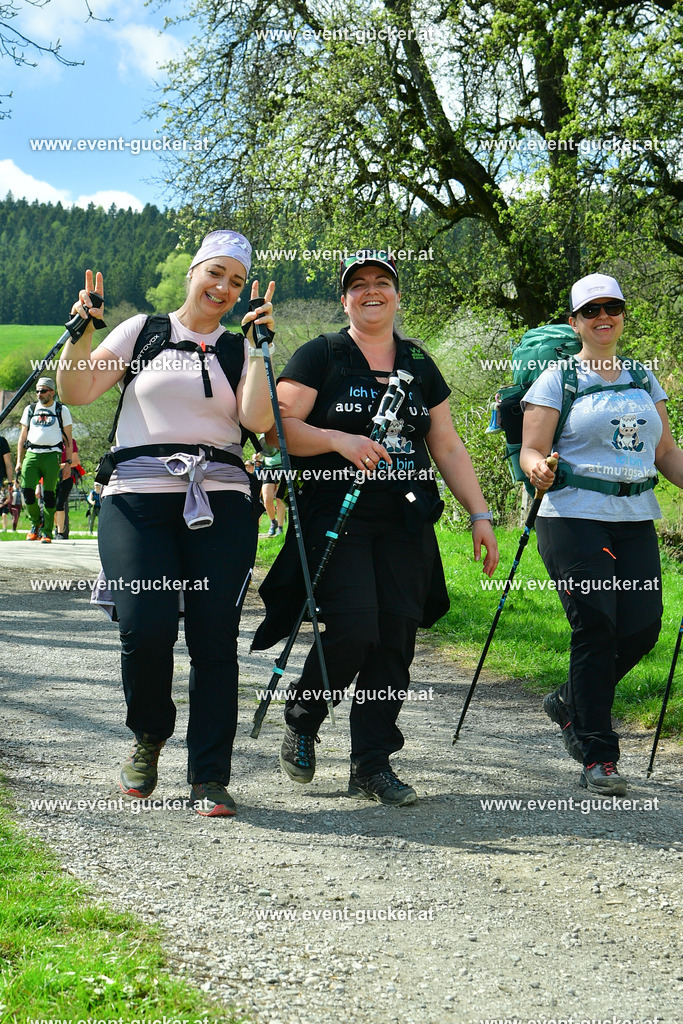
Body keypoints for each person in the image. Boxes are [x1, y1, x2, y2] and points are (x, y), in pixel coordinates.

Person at [254, 249, 498, 806]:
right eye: (358, 284)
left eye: (381, 283)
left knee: (395, 638)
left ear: (395, 295)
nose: (371, 291)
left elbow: (447, 444)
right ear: (345, 298)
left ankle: (371, 762)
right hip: (336, 513)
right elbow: (278, 429)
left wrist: (480, 513)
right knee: (354, 627)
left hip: (405, 517)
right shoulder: (323, 354)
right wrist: (340, 441)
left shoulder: (418, 362)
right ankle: (304, 716)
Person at [57, 231, 275, 817]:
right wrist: (81, 331)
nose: (223, 289)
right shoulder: (143, 332)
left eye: (235, 281)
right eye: (215, 275)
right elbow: (76, 390)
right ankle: (149, 735)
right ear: (193, 273)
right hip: (137, 499)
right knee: (145, 626)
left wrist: (257, 349)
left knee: (213, 640)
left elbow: (257, 420)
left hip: (223, 502)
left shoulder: (238, 349)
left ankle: (209, 775)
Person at [520, 273, 683, 796]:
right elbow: (531, 448)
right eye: (591, 310)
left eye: (612, 306)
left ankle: (570, 700)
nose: (603, 316)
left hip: (635, 516)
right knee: (596, 625)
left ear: (622, 315)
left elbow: (666, 454)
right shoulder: (556, 380)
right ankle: (598, 753)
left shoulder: (643, 378)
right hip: (571, 516)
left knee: (641, 627)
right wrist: (536, 470)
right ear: (576, 322)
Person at [15, 377, 73, 543]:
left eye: (43, 391)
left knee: (49, 494)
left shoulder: (62, 410)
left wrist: (68, 463)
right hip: (32, 454)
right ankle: (36, 523)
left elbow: (69, 439)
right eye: (38, 391)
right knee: (27, 491)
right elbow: (22, 437)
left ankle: (47, 531)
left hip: (52, 455)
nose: (39, 394)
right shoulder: (30, 409)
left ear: (52, 392)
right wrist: (19, 460)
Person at [54, 437, 85, 539]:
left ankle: (60, 532)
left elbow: (76, 462)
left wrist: (58, 466)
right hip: (50, 477)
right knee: (51, 504)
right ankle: (55, 527)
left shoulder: (70, 442)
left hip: (67, 477)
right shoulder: (49, 441)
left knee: (60, 503)